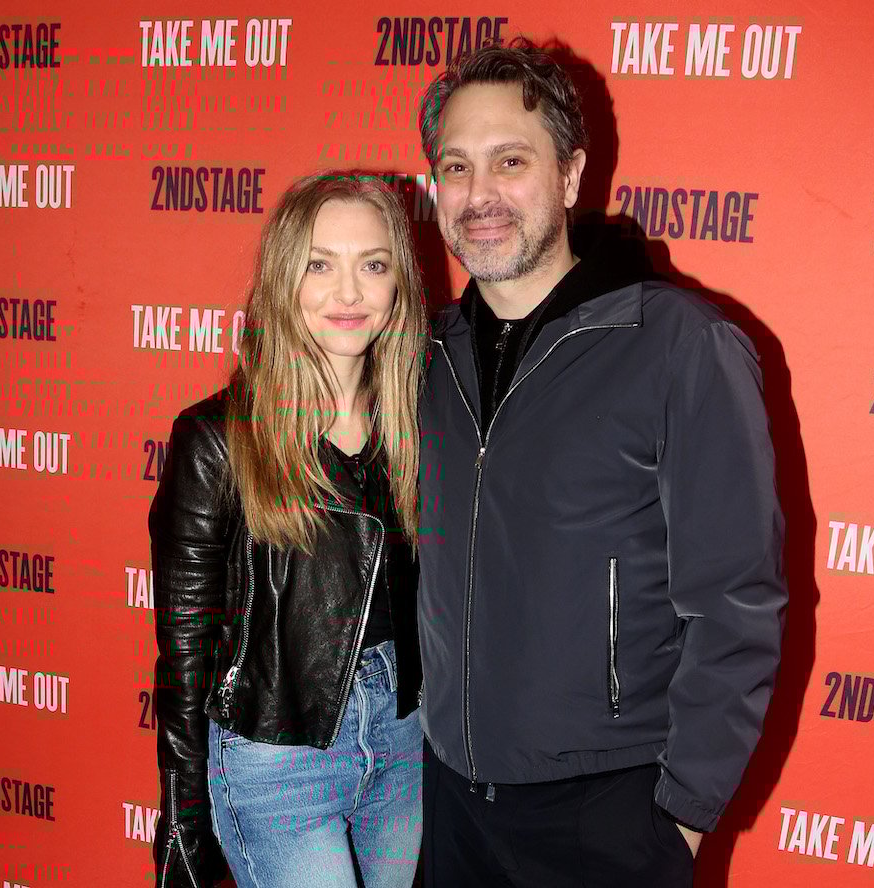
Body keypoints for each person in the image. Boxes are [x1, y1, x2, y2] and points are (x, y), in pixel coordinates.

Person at [414, 39, 788, 887]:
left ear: (571, 174)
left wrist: (683, 815)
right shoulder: (427, 354)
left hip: (609, 814)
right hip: (451, 805)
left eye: (511, 161)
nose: (479, 194)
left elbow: (737, 602)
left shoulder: (680, 346)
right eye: (456, 167)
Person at [149, 172, 428, 888]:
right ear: (283, 280)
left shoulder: (419, 425)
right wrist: (182, 813)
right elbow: (183, 652)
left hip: (404, 738)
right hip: (277, 754)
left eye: (373, 264)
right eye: (319, 265)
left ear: (399, 282)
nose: (349, 292)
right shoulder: (217, 438)